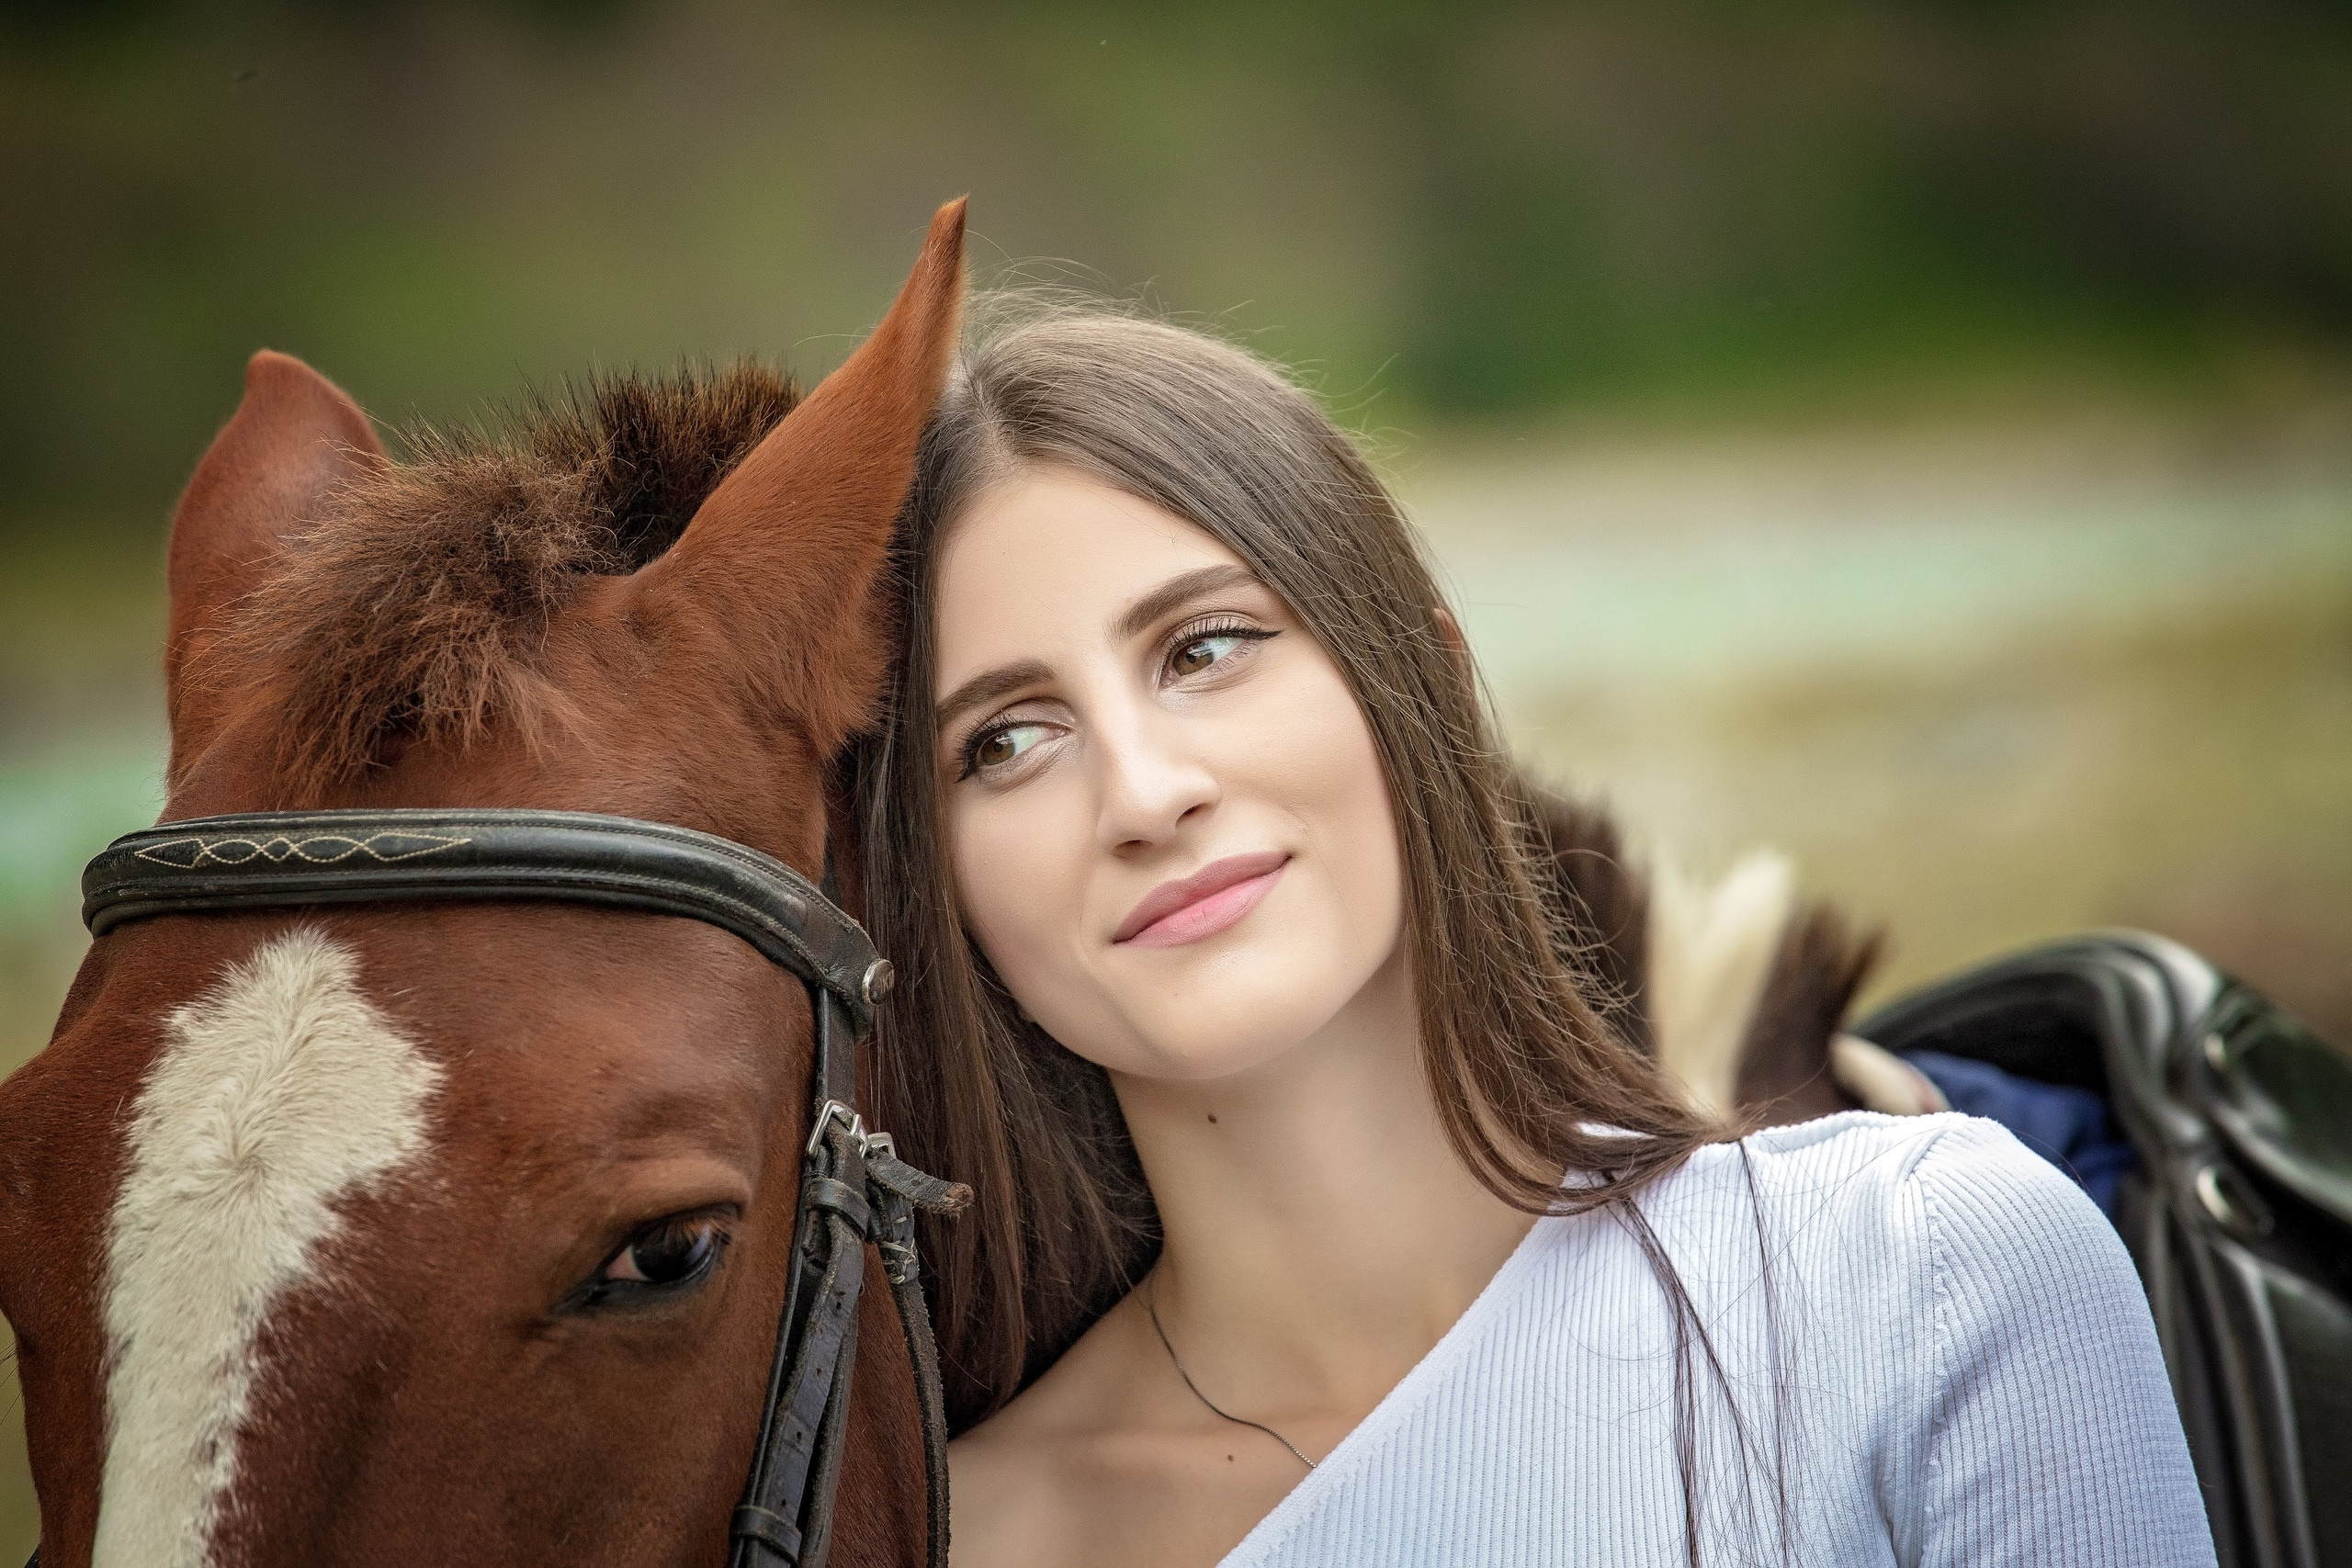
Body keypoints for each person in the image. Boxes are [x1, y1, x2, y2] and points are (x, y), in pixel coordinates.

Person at [844, 301, 2215, 1567]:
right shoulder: (966, 1542)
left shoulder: (1927, 1277)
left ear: (1424, 675)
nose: (1144, 795)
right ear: (936, 890)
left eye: (1205, 648)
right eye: (1008, 742)